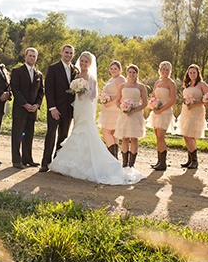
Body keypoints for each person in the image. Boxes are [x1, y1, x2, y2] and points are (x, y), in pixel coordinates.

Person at [49, 52, 145, 185]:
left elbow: (93, 95)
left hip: (86, 106)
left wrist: (83, 90)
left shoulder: (91, 77)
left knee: (86, 131)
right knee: (77, 129)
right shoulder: (76, 75)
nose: (83, 64)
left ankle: (104, 161)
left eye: (85, 62)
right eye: (81, 61)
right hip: (77, 106)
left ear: (89, 64)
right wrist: (77, 90)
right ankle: (75, 162)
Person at [40, 44, 78, 171]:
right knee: (51, 135)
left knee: (63, 137)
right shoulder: (53, 68)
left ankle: (57, 164)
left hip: (68, 110)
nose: (68, 55)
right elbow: (49, 90)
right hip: (55, 109)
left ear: (73, 55)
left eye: (71, 53)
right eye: (66, 52)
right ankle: (45, 163)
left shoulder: (75, 70)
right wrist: (52, 108)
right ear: (62, 52)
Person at [10, 48, 44, 168]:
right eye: (30, 56)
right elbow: (15, 89)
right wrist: (25, 104)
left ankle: (27, 159)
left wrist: (37, 105)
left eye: (34, 56)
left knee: (28, 135)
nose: (32, 58)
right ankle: (16, 160)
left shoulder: (39, 74)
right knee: (18, 136)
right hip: (20, 109)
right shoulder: (17, 71)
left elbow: (41, 91)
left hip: (32, 111)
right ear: (25, 57)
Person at [177, 64, 208, 169]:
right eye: (190, 72)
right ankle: (190, 160)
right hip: (186, 111)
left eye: (194, 72)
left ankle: (195, 161)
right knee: (189, 135)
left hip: (196, 112)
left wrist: (194, 103)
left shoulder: (202, 84)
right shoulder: (187, 84)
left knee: (188, 135)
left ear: (198, 73)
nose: (192, 74)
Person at [114, 64, 148, 168]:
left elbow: (145, 103)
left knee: (134, 138)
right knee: (124, 137)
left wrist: (133, 111)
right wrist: (123, 108)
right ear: (127, 73)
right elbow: (117, 101)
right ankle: (124, 163)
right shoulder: (122, 86)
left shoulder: (141, 87)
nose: (132, 74)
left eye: (134, 72)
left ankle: (131, 164)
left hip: (136, 114)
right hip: (124, 114)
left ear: (137, 74)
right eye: (130, 72)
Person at [147, 61, 177, 171]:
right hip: (156, 111)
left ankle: (163, 163)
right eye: (163, 69)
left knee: (161, 136)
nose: (165, 71)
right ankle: (159, 161)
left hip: (165, 111)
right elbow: (153, 96)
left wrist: (162, 109)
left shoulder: (171, 83)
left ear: (170, 71)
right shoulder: (157, 82)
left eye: (167, 69)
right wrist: (153, 106)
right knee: (157, 137)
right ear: (160, 70)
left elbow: (173, 99)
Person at [98, 60, 126, 157]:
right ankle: (114, 157)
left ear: (120, 70)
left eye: (115, 68)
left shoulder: (120, 79)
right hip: (108, 110)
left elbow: (123, 94)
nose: (113, 70)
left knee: (105, 131)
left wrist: (109, 102)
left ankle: (112, 156)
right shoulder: (112, 79)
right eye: (111, 68)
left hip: (114, 109)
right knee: (113, 132)